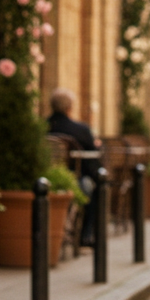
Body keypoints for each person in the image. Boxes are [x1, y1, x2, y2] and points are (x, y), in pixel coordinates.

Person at [47, 88, 99, 247]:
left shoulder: (42, 126)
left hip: (46, 179)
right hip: (75, 180)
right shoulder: (81, 129)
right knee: (95, 187)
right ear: (70, 107)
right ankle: (86, 235)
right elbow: (92, 157)